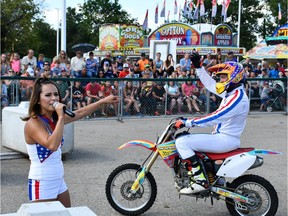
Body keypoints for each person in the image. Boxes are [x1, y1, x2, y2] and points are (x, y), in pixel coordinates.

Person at [22, 77, 118, 207]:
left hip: (58, 180)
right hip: (42, 181)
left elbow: (79, 113)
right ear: (38, 100)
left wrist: (102, 101)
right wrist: (61, 116)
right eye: (48, 95)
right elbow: (52, 145)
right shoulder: (33, 123)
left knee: (66, 212)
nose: (54, 98)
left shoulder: (54, 119)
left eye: (56, 94)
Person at [175, 52, 249, 194]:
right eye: (220, 77)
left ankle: (200, 181)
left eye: (223, 77)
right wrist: (198, 66)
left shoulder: (238, 98)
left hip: (224, 139)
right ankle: (212, 177)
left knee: (182, 142)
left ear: (234, 77)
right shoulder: (231, 93)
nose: (220, 80)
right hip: (222, 137)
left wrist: (188, 122)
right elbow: (210, 84)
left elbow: (216, 117)